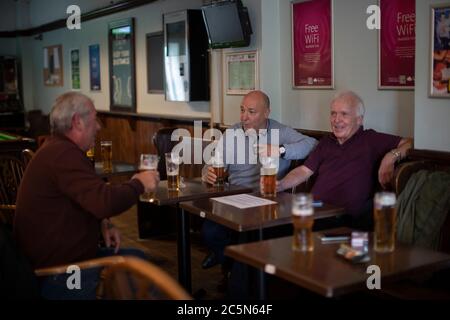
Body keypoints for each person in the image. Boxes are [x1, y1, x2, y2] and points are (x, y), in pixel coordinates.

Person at [14, 92, 160, 299]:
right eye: (94, 119)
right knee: (140, 272)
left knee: (138, 260)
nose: (99, 126)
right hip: (61, 273)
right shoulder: (63, 154)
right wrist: (139, 183)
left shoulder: (57, 149)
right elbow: (104, 202)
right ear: (77, 122)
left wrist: (103, 223)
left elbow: (86, 199)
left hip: (63, 262)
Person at [200, 90, 317, 272]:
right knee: (210, 230)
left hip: (267, 201)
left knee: (248, 237)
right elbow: (211, 164)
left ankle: (235, 272)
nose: (244, 117)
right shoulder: (232, 133)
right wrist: (207, 173)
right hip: (234, 198)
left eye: (251, 112)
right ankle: (230, 263)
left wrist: (280, 150)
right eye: (242, 110)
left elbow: (312, 144)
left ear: (266, 113)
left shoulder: (279, 131)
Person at [278, 90, 412, 229]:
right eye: (333, 113)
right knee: (272, 227)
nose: (336, 120)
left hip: (342, 219)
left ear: (359, 119)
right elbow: (305, 170)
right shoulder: (326, 141)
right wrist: (281, 185)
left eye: (344, 114)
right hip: (313, 212)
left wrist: (391, 156)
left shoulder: (370, 140)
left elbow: (410, 142)